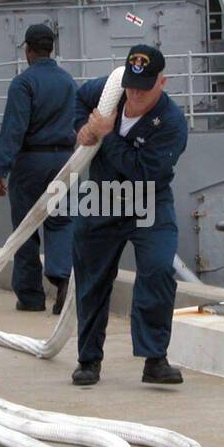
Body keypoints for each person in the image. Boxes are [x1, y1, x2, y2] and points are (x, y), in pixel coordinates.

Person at [71, 45, 188, 386]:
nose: (135, 93)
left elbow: (141, 171)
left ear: (162, 83)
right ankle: (88, 361)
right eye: (132, 84)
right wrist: (83, 128)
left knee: (157, 269)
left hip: (148, 200)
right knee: (92, 280)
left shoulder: (171, 124)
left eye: (145, 87)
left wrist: (105, 135)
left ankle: (154, 358)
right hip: (102, 198)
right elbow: (79, 100)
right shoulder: (108, 91)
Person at [0, 23, 78, 314]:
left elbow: (14, 129)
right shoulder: (68, 81)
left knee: (26, 227)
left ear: (28, 51)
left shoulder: (23, 83)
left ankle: (30, 296)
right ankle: (63, 280)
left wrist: (2, 169)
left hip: (30, 162)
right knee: (62, 222)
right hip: (64, 160)